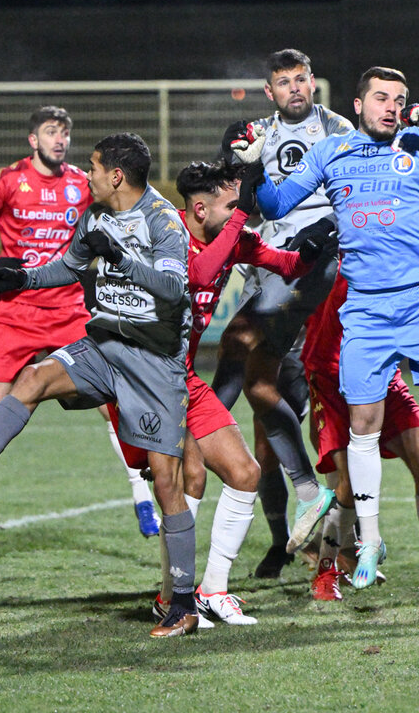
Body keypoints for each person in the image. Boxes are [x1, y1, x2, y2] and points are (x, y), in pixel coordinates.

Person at [252, 66, 419, 590]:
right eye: (381, 98)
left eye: (399, 99)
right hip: (367, 310)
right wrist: (253, 171)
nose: (392, 107)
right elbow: (274, 204)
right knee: (363, 424)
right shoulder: (331, 151)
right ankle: (370, 540)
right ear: (358, 105)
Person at [0, 133, 200, 638]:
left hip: (155, 362)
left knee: (167, 484)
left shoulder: (162, 220)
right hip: (104, 345)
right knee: (31, 378)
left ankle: (183, 605)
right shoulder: (94, 215)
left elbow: (174, 288)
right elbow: (69, 266)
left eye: (93, 167)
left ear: (116, 175)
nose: (86, 175)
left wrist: (120, 258)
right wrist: (21, 279)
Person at [111, 159, 335, 626]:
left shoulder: (232, 236)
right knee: (186, 479)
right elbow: (196, 274)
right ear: (200, 209)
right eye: (234, 205)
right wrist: (237, 222)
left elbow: (285, 264)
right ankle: (173, 596)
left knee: (243, 472)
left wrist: (311, 251)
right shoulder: (164, 231)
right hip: (140, 377)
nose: (242, 212)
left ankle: (210, 590)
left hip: (182, 380)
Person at [0, 106, 158, 560]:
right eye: (50, 132)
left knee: (111, 401)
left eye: (64, 132)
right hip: (17, 311)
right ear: (33, 140)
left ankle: (142, 496)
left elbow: (123, 210)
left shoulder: (82, 182)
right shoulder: (8, 180)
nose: (60, 139)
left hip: (68, 309)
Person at [213, 48, 352, 579]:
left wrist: (330, 233)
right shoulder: (258, 135)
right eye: (283, 81)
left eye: (300, 79)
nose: (294, 88)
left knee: (332, 422)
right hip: (274, 275)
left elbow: (354, 196)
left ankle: (349, 542)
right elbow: (240, 198)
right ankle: (282, 541)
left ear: (313, 82)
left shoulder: (339, 129)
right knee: (265, 409)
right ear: (269, 91)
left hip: (319, 280)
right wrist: (234, 157)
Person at [301, 268, 419, 603]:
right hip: (331, 375)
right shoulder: (342, 246)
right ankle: (326, 570)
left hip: (381, 370)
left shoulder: (406, 254)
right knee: (349, 481)